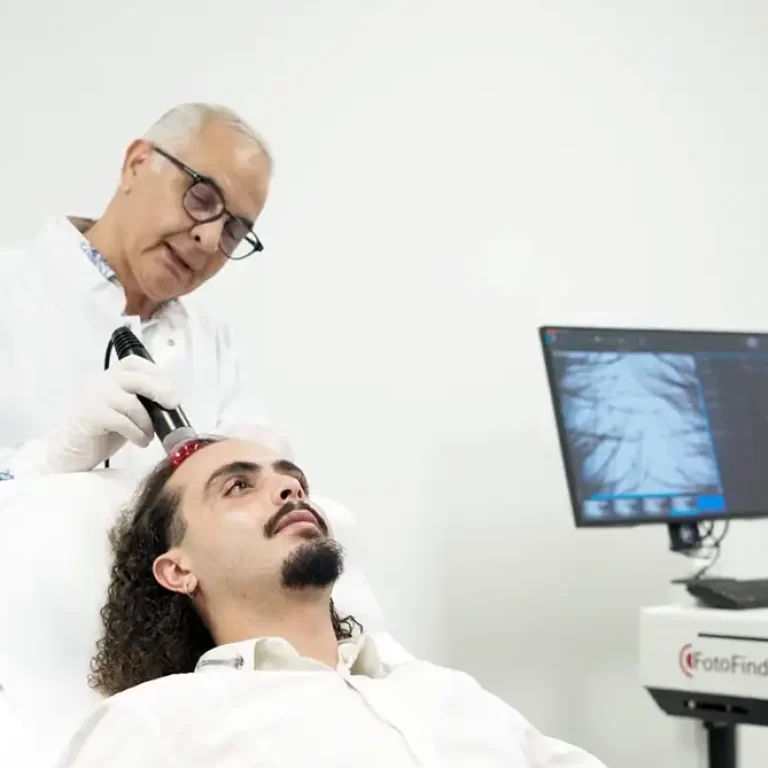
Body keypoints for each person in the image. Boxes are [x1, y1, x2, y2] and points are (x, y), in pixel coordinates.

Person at [55, 436, 608, 767]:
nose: (290, 491)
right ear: (178, 569)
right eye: (237, 487)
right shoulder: (156, 722)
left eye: (292, 481)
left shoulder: (442, 690)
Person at [0, 103, 285, 483]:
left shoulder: (214, 349)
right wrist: (44, 462)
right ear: (136, 164)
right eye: (201, 198)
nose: (210, 238)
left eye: (234, 231)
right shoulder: (12, 289)